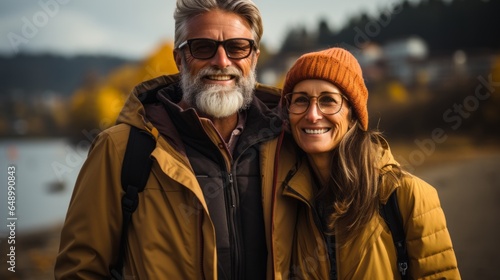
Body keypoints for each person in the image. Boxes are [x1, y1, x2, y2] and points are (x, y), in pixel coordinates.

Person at [54, 0, 283, 279]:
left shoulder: (287, 142)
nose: (222, 62)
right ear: (179, 58)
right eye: (202, 47)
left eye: (237, 48)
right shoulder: (120, 149)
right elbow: (80, 270)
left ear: (254, 58)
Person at [273, 47, 461, 279]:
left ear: (353, 114)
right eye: (301, 100)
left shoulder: (407, 196)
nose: (312, 114)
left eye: (328, 100)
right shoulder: (286, 203)